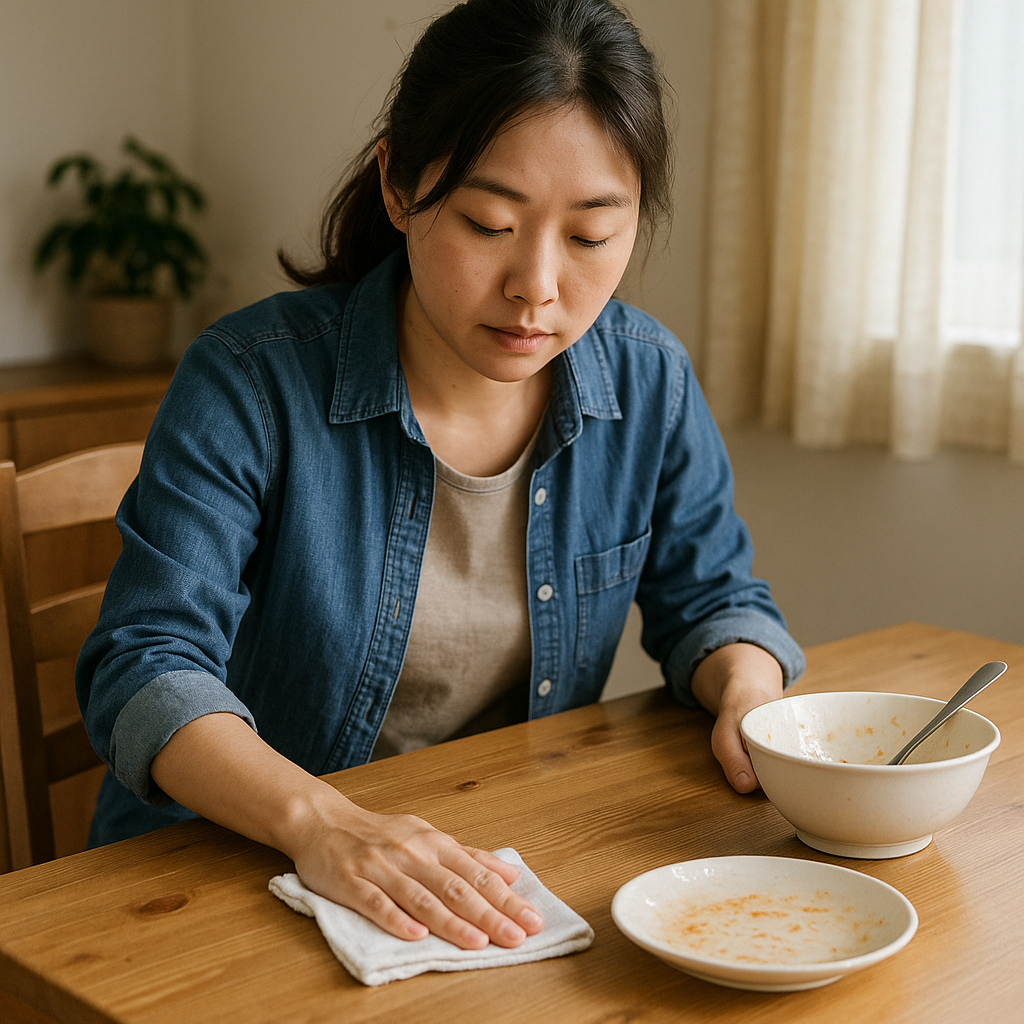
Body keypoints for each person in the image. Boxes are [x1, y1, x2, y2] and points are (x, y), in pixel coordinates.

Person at [77, 0, 804, 953]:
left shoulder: (646, 376)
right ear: (397, 185)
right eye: (488, 222)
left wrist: (747, 690)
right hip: (221, 873)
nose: (537, 285)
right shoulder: (252, 379)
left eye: (590, 237)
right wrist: (323, 824)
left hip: (492, 866)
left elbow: (715, 597)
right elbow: (146, 664)